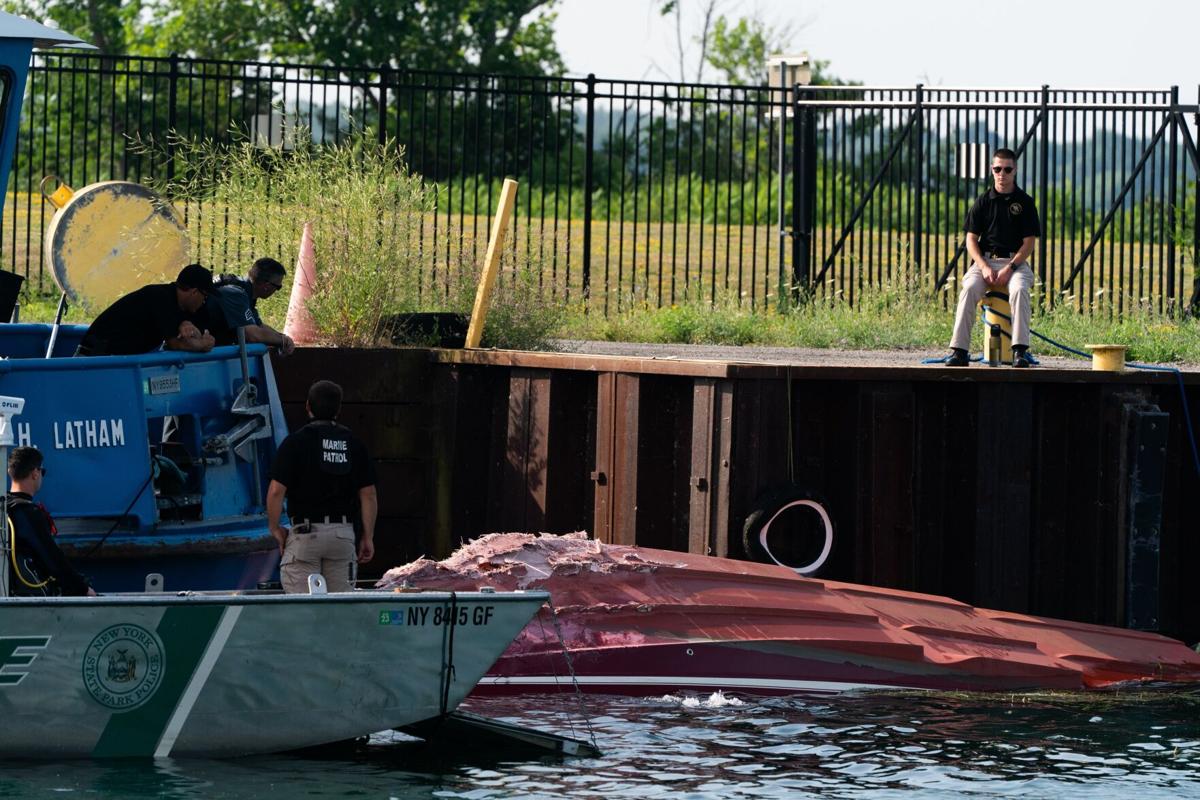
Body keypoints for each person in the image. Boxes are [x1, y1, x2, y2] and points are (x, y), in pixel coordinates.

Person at [267, 379, 377, 593]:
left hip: (305, 535)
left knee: (302, 613)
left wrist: (274, 528)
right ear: (338, 409)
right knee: (339, 611)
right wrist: (368, 536)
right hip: (343, 537)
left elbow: (275, 491)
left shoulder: (295, 443)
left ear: (308, 406)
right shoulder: (354, 444)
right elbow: (369, 495)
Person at [945, 148, 1041, 368]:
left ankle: (1019, 351)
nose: (1002, 174)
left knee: (1019, 290)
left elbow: (1028, 244)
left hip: (1015, 263)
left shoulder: (1025, 202)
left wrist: (1010, 267)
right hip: (985, 262)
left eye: (1007, 169)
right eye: (998, 169)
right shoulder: (982, 202)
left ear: (1015, 170)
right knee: (968, 289)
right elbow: (970, 240)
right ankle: (959, 351)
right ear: (991, 170)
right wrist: (984, 266)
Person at [5, 446, 95, 596]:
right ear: (35, 473)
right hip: (31, 599)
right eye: (42, 472)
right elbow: (53, 559)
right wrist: (83, 588)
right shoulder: (28, 513)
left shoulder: (4, 508)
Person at [76, 263, 216, 356]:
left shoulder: (186, 307)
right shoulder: (160, 297)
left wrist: (187, 323)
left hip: (116, 357)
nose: (204, 302)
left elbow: (206, 331)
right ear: (194, 292)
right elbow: (174, 344)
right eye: (205, 296)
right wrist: (202, 344)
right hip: (94, 356)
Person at [204, 257, 296, 355]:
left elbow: (258, 326)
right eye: (278, 287)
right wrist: (281, 340)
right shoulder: (235, 293)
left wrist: (282, 338)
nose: (276, 291)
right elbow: (253, 335)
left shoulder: (245, 292)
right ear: (267, 286)